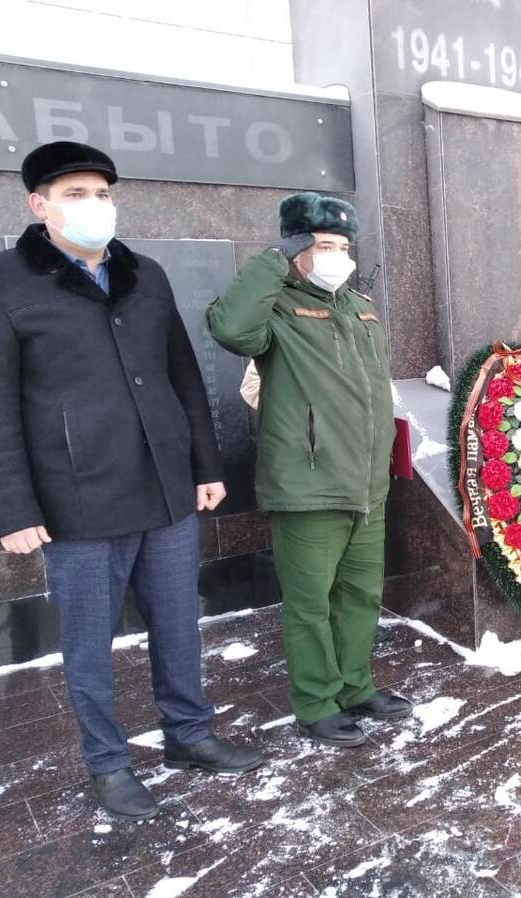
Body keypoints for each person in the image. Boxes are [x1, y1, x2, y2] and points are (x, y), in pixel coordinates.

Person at [0, 141, 261, 821]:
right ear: (38, 205)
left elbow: (183, 376)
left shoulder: (143, 275)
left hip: (165, 488)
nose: (93, 205)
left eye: (101, 194)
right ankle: (108, 762)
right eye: (75, 194)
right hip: (78, 500)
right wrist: (13, 509)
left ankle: (188, 734)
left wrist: (205, 467)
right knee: (90, 641)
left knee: (178, 623)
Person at [206, 192, 410, 749]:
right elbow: (229, 328)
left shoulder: (361, 309)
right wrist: (274, 261)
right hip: (308, 486)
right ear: (295, 248)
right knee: (311, 605)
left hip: (367, 485)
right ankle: (317, 702)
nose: (336, 256)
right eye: (322, 245)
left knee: (359, 596)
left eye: (343, 245)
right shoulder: (276, 309)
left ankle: (355, 686)